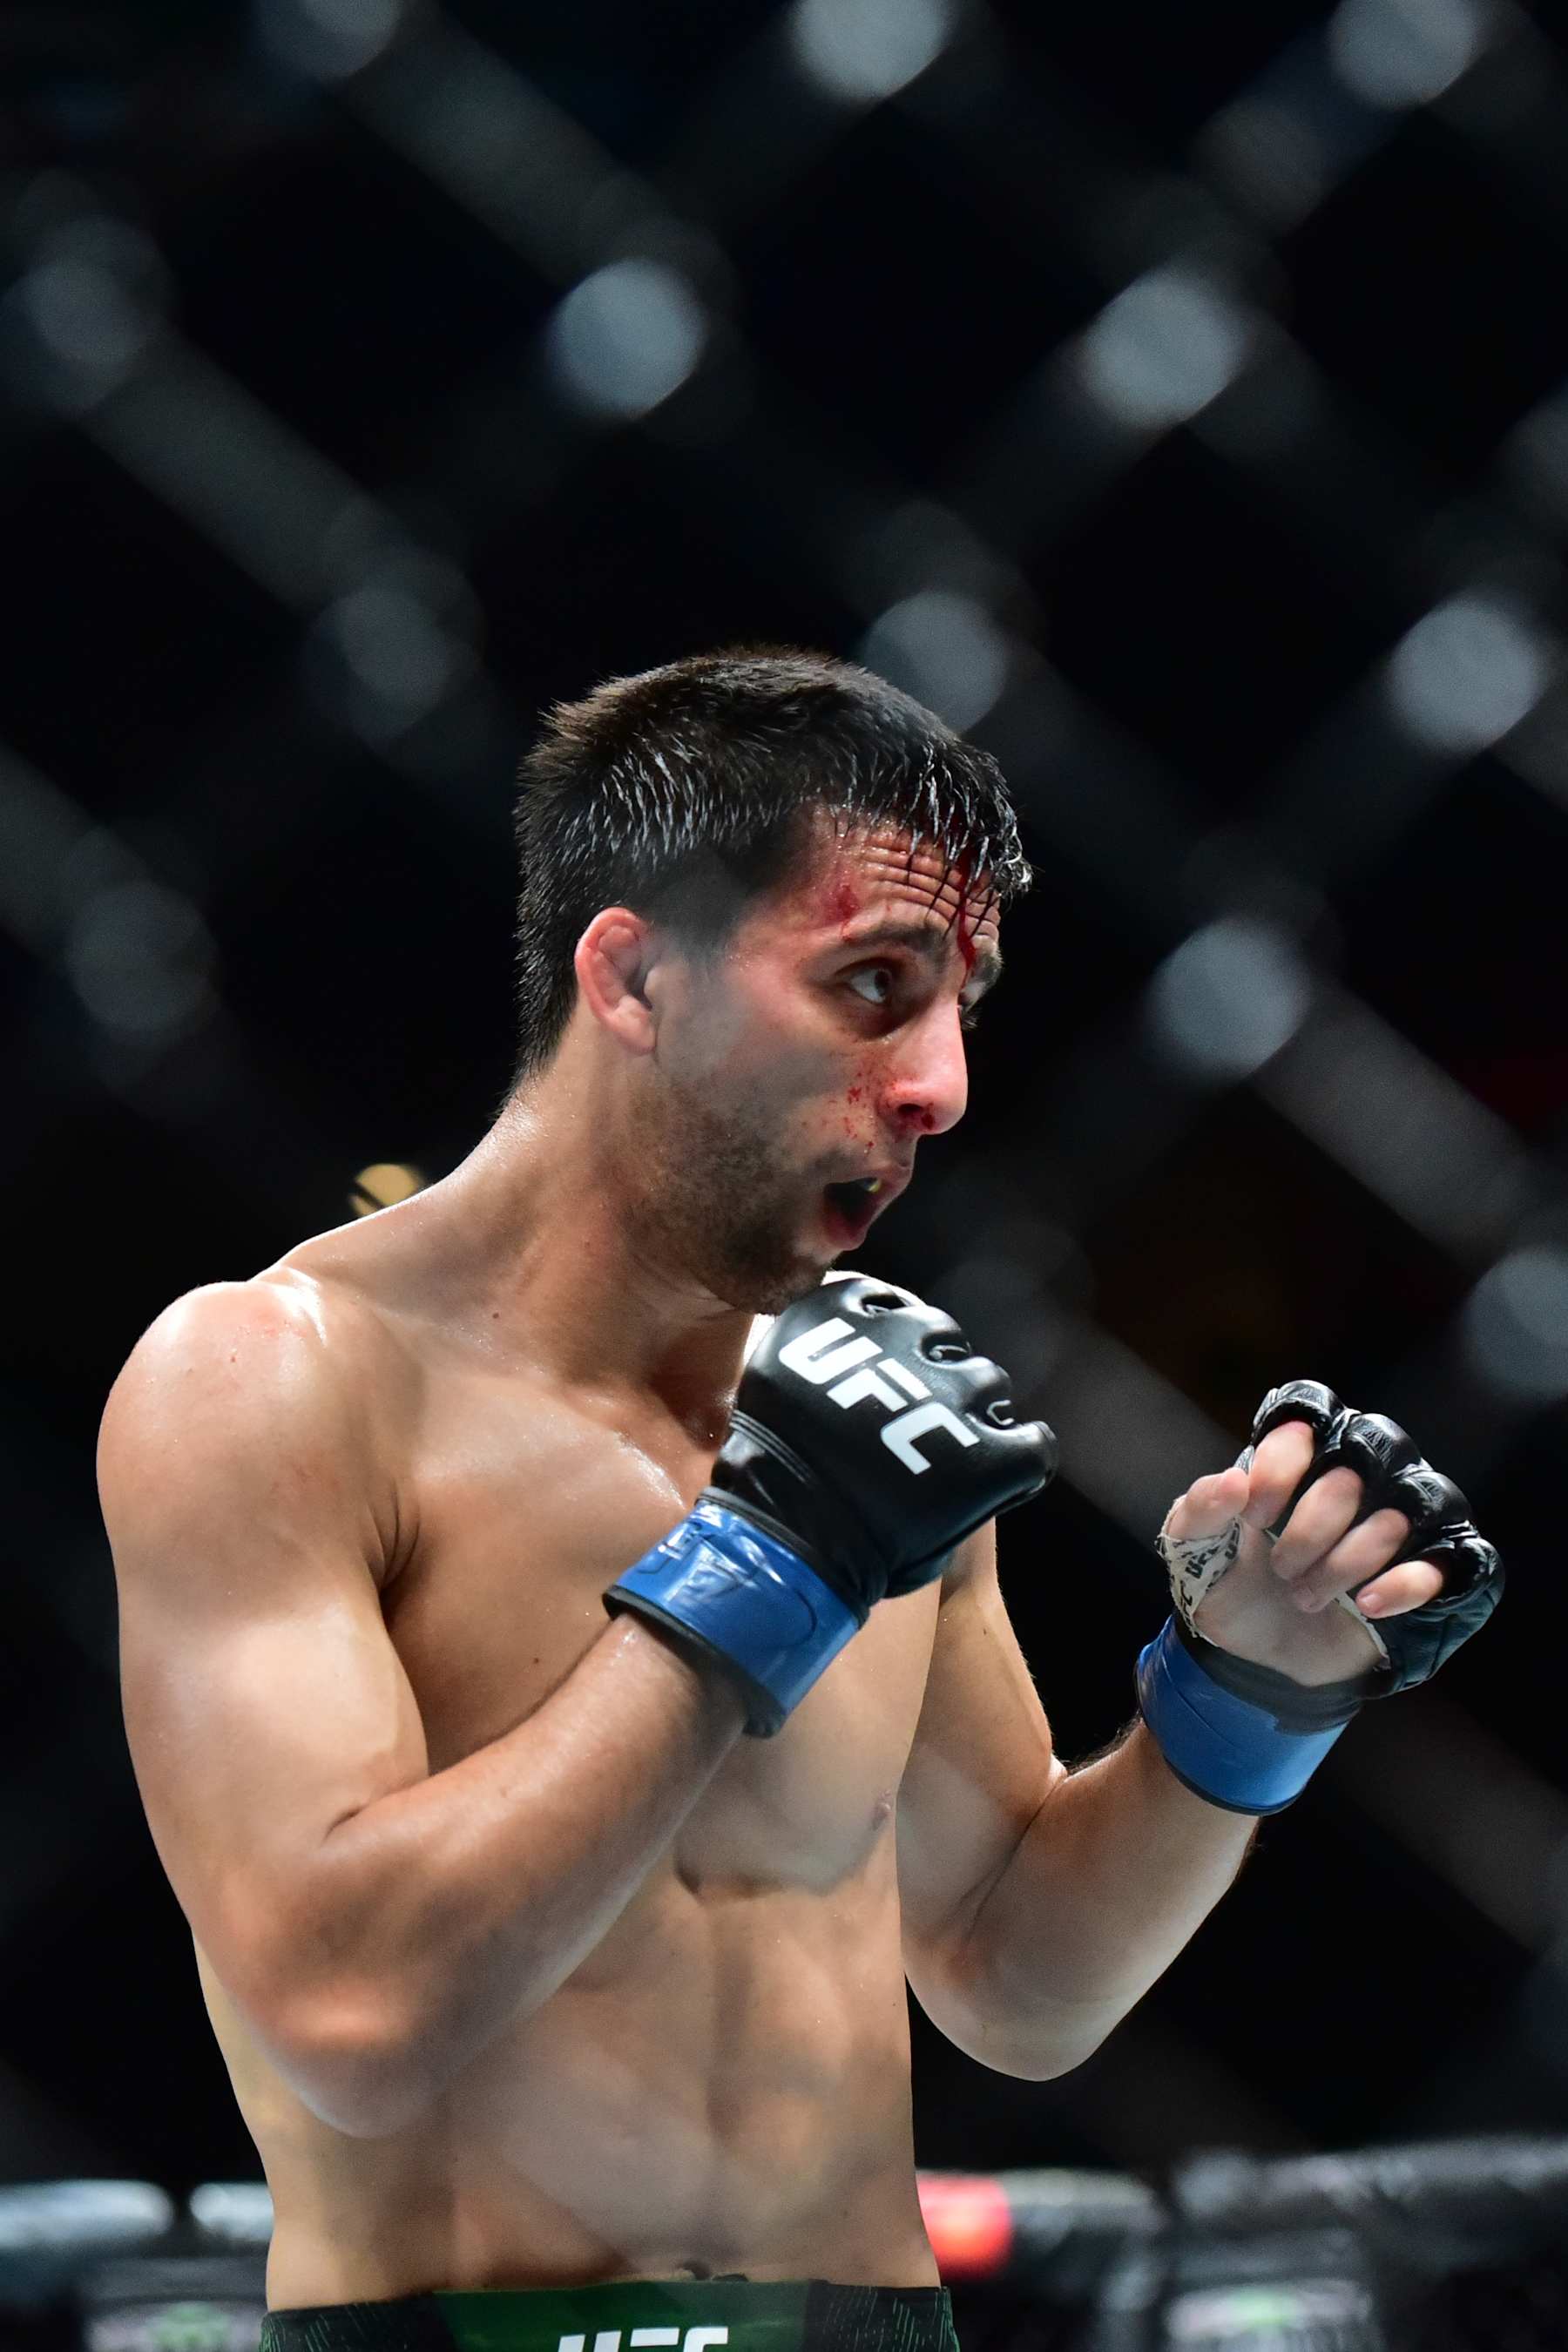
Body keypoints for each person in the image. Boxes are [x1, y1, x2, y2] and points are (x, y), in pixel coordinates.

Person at [97, 650, 1500, 2352]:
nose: (940, 1085)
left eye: (962, 1003)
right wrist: (770, 1559)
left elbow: (1014, 1977)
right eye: (873, 983)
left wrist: (1252, 1688)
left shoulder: (868, 1405)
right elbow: (350, 2016)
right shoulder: (279, 1381)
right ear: (635, 979)